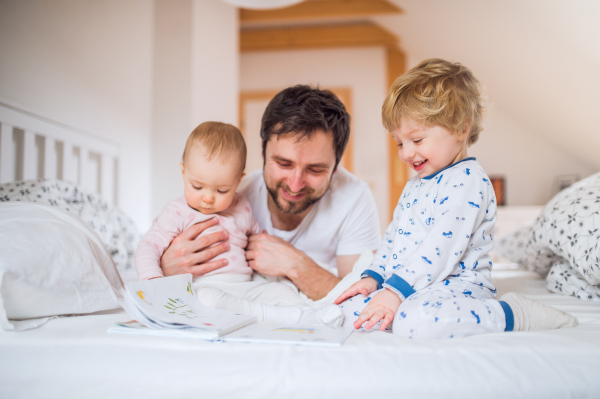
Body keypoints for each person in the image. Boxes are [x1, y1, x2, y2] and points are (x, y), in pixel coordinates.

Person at [335, 58, 579, 339]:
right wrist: (374, 276)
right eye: (399, 142)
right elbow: (393, 239)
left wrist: (395, 292)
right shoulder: (415, 185)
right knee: (346, 308)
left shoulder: (468, 181)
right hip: (411, 284)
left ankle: (510, 314)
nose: (405, 153)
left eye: (417, 140)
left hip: (457, 287)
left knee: (416, 322)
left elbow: (440, 247)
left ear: (462, 129)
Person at [158, 86, 382, 301]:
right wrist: (166, 268)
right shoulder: (231, 196)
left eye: (315, 169)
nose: (295, 185)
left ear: (335, 168)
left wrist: (296, 266)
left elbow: (361, 300)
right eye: (284, 163)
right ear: (263, 152)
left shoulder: (354, 199)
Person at [135, 121, 342, 326]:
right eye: (197, 186)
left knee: (280, 290)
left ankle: (313, 315)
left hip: (246, 286)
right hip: (204, 286)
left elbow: (258, 240)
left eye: (222, 190)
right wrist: (153, 281)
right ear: (183, 173)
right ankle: (272, 315)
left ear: (237, 182)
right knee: (208, 299)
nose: (208, 198)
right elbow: (148, 246)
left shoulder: (242, 205)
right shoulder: (177, 212)